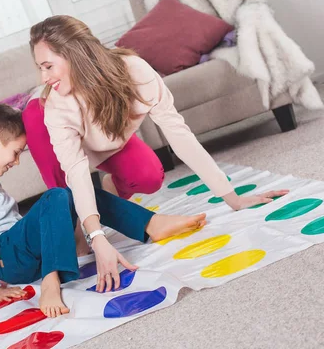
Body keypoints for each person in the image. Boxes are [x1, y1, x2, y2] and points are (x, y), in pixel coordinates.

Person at [22, 15, 289, 288]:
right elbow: (76, 172)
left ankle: (109, 189)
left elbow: (178, 134)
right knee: (70, 197)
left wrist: (233, 198)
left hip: (106, 139)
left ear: (74, 55)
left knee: (150, 176)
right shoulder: (54, 106)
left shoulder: (135, 71)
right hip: (54, 137)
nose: (44, 77)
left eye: (48, 66)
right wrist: (96, 236)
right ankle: (75, 226)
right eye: (40, 68)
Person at [0, 104, 207, 318]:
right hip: (5, 257)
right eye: (16, 153)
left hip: (21, 252)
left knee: (76, 193)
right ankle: (50, 279)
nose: (16, 161)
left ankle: (149, 224)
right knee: (55, 196)